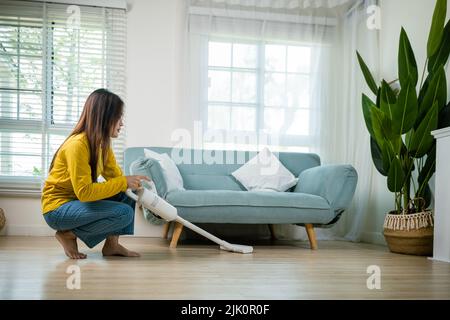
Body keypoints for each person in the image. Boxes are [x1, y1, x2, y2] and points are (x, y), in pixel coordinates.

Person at [41, 88, 149, 259]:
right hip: (58, 209)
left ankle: (111, 246)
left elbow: (117, 179)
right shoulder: (77, 145)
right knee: (124, 212)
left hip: (77, 203)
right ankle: (68, 234)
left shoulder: (102, 144)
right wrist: (123, 182)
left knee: (127, 193)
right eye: (118, 117)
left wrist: (141, 193)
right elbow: (84, 193)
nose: (122, 123)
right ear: (104, 118)